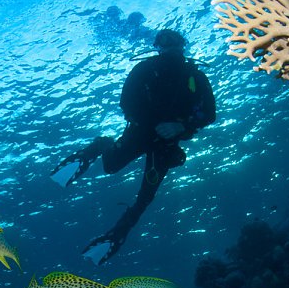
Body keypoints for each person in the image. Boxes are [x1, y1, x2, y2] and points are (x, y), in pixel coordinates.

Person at [53, 28, 216, 262]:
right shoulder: (144, 69)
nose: (170, 47)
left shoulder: (196, 76)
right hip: (140, 133)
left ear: (183, 46)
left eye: (175, 42)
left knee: (146, 196)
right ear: (157, 47)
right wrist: (153, 124)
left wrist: (180, 127)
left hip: (167, 142)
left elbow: (210, 114)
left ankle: (119, 232)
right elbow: (126, 103)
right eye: (164, 43)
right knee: (110, 166)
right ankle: (101, 145)